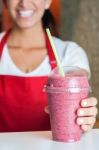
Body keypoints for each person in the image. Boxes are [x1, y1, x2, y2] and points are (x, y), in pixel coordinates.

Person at [0, 0, 97, 132]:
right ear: (4, 2)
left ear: (47, 2)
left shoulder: (69, 54)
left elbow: (79, 107)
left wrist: (84, 116)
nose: (24, 2)